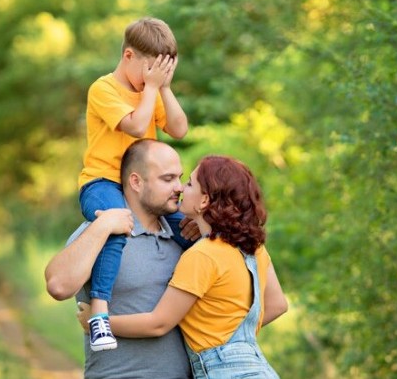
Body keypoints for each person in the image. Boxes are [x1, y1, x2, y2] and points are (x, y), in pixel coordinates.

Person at [78, 155, 289, 378]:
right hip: (258, 368)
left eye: (189, 183)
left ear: (204, 200)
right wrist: (233, 339)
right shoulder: (254, 248)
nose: (180, 188)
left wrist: (97, 322)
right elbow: (277, 305)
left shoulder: (202, 255)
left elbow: (158, 323)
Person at [77, 16, 190, 351]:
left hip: (145, 188)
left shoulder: (150, 90)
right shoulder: (104, 89)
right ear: (129, 57)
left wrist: (163, 88)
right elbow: (138, 127)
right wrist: (153, 88)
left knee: (188, 228)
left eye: (163, 72)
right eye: (150, 71)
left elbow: (180, 129)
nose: (152, 80)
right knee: (116, 222)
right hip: (104, 182)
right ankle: (99, 314)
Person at [46, 139, 193, 378]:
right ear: (135, 181)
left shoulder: (183, 238)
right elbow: (58, 286)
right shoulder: (99, 231)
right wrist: (103, 225)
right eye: (167, 179)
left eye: (180, 177)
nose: (178, 187)